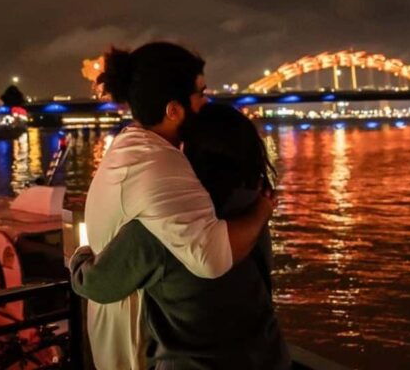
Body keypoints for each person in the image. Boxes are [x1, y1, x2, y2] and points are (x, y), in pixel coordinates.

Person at [82, 42, 273, 369]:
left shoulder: (137, 145)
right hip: (136, 344)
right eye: (201, 92)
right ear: (173, 110)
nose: (206, 100)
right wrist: (261, 211)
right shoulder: (158, 166)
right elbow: (211, 259)